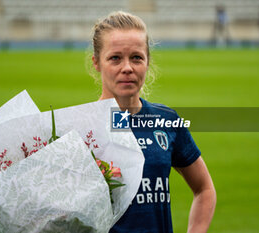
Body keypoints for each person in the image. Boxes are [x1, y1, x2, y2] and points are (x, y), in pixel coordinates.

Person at [90, 11, 216, 233]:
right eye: (115, 58)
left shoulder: (166, 120)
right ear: (97, 63)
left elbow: (204, 189)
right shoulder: (79, 128)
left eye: (136, 57)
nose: (127, 67)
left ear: (147, 62)